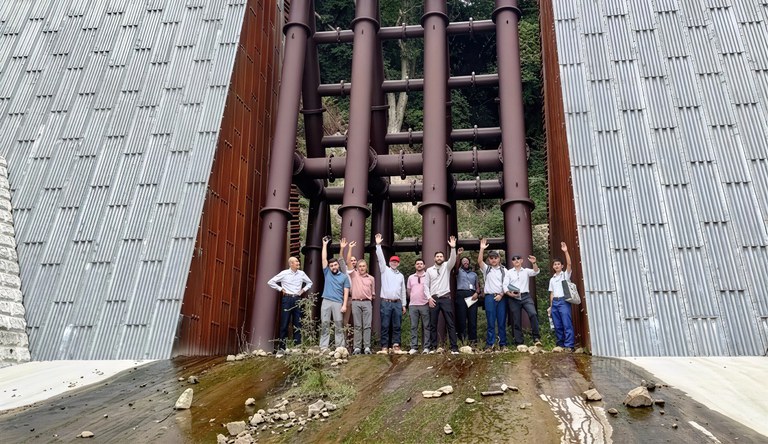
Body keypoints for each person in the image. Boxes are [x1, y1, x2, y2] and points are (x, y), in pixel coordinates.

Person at [267, 257, 313, 351]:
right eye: (296, 261)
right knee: (284, 323)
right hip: (287, 299)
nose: (298, 263)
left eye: (298, 261)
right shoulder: (284, 273)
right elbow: (270, 282)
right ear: (291, 264)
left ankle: (297, 347)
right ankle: (282, 348)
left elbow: (310, 283)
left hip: (297, 298)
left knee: (298, 323)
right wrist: (280, 289)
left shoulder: (301, 273)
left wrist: (303, 290)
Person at [424, 236, 459, 354]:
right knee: (433, 324)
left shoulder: (447, 267)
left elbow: (453, 260)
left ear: (443, 258)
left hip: (445, 298)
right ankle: (433, 347)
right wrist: (429, 298)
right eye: (437, 256)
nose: (439, 258)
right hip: (433, 299)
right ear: (434, 258)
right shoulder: (429, 270)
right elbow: (425, 286)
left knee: (450, 323)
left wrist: (453, 248)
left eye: (441, 256)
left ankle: (454, 347)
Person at [375, 233, 407, 354]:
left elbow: (403, 291)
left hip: (397, 303)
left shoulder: (401, 276)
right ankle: (384, 346)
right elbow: (381, 259)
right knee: (384, 325)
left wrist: (404, 304)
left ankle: (396, 345)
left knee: (397, 325)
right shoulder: (385, 271)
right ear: (389, 262)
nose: (394, 263)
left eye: (396, 262)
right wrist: (378, 245)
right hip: (386, 302)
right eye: (392, 261)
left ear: (398, 263)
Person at [320, 236, 350, 351]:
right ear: (329, 267)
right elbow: (324, 259)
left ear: (338, 265)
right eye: (331, 265)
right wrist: (324, 245)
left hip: (338, 302)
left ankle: (340, 347)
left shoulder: (344, 277)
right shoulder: (327, 272)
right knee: (325, 324)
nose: (333, 267)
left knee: (338, 325)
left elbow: (346, 291)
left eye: (335, 265)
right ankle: (323, 347)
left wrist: (344, 305)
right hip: (326, 301)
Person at [504, 253, 541, 347]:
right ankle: (519, 342)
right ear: (512, 261)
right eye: (514, 259)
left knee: (533, 313)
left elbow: (536, 272)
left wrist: (534, 263)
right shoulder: (508, 272)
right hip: (513, 298)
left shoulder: (526, 271)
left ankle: (536, 338)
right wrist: (509, 294)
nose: (516, 260)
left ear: (521, 260)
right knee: (516, 319)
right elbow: (505, 285)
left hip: (525, 296)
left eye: (518, 258)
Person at [346, 242, 375, 355]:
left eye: (363, 266)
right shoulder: (353, 274)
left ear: (366, 267)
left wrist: (370, 300)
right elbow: (348, 261)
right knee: (357, 325)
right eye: (360, 266)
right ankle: (357, 347)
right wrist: (350, 248)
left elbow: (373, 293)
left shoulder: (371, 278)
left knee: (367, 325)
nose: (362, 268)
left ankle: (367, 347)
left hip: (367, 303)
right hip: (356, 302)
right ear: (357, 267)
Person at [478, 238, 507, 349]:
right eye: (491, 258)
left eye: (495, 258)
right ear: (489, 260)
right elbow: (480, 262)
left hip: (502, 297)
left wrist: (501, 295)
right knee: (490, 321)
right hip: (489, 297)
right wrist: (482, 249)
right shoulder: (487, 269)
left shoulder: (505, 270)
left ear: (499, 259)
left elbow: (507, 284)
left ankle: (502, 343)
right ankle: (490, 344)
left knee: (501, 321)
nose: (493, 260)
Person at [548, 242, 574, 351]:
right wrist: (551, 306)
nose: (557, 266)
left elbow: (569, 264)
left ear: (561, 266)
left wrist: (566, 251)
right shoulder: (552, 279)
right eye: (555, 264)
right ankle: (560, 344)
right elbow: (552, 293)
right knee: (557, 325)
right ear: (553, 267)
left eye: (558, 264)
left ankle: (569, 345)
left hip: (564, 301)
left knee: (566, 323)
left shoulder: (565, 275)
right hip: (555, 302)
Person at [454, 249, 480, 346]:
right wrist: (458, 255)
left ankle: (473, 342)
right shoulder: (458, 272)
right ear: (461, 263)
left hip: (472, 296)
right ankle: (462, 342)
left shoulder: (474, 274)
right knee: (461, 319)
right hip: (461, 295)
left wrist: (477, 293)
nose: (465, 262)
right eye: (463, 261)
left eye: (467, 261)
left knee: (472, 319)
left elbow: (477, 286)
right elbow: (455, 266)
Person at [406, 258, 430, 354]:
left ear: (424, 266)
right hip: (413, 305)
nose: (419, 265)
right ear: (415, 266)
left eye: (421, 264)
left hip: (425, 304)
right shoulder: (411, 277)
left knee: (426, 326)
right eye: (417, 264)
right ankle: (414, 347)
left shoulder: (427, 276)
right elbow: (408, 291)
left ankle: (427, 347)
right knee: (413, 326)